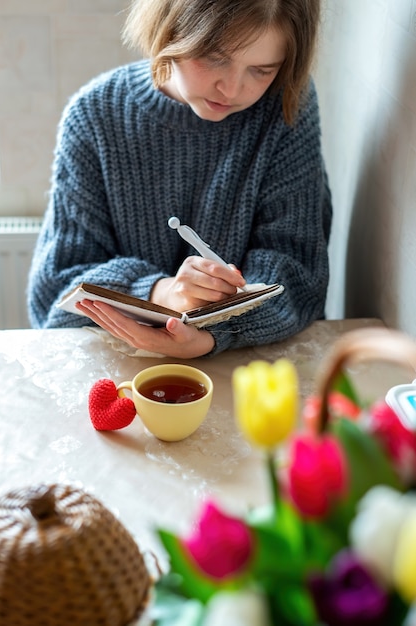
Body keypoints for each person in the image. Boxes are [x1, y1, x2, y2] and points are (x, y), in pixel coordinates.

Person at [27, 0, 332, 358]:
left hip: (248, 368)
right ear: (170, 28)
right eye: (215, 58)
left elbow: (297, 274)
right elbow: (58, 291)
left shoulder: (286, 106)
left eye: (262, 70)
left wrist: (210, 335)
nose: (232, 89)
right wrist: (161, 293)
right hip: (119, 371)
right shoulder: (94, 115)